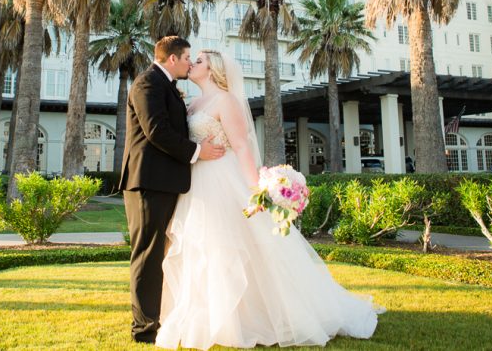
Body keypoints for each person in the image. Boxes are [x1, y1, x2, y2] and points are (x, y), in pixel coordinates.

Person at [155, 50, 380, 349]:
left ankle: (246, 319)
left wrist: (256, 190)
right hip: (197, 184)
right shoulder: (193, 103)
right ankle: (210, 316)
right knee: (203, 249)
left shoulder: (227, 101)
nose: (191, 64)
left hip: (223, 181)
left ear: (213, 70)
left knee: (232, 248)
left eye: (198, 61)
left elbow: (242, 147)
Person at [118, 36, 226, 345]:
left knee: (162, 254)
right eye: (187, 57)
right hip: (148, 183)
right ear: (171, 60)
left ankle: (161, 318)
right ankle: (144, 330)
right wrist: (197, 152)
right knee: (148, 256)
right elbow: (156, 131)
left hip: (165, 183)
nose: (190, 63)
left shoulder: (165, 85)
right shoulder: (147, 84)